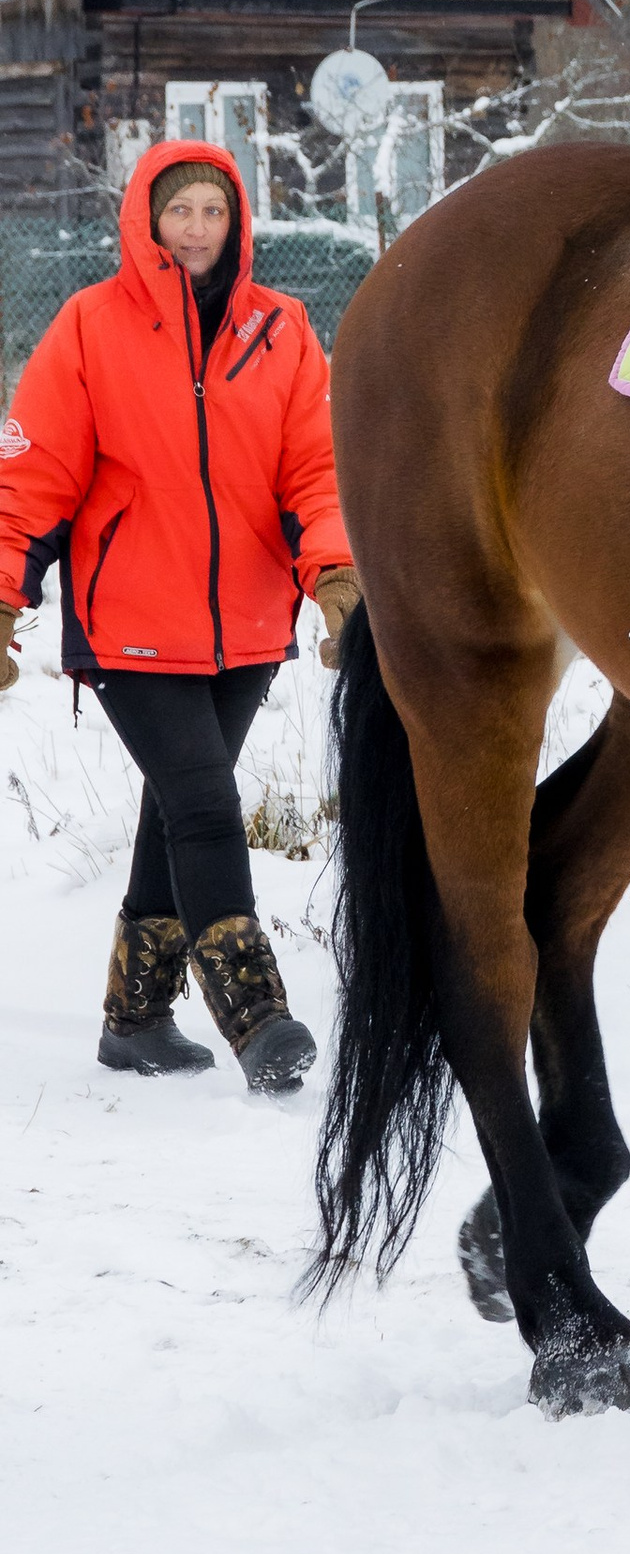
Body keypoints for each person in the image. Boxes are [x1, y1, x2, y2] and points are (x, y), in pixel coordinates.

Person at [0, 143, 358, 1094]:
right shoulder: (90, 327)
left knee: (174, 810)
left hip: (245, 626)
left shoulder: (281, 329)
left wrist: (335, 578)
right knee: (204, 805)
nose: (197, 228)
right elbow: (34, 476)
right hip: (129, 621)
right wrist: (2, 595)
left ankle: (137, 1021)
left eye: (213, 209)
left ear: (236, 221)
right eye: (179, 210)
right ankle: (257, 1015)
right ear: (146, 221)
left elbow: (314, 473)